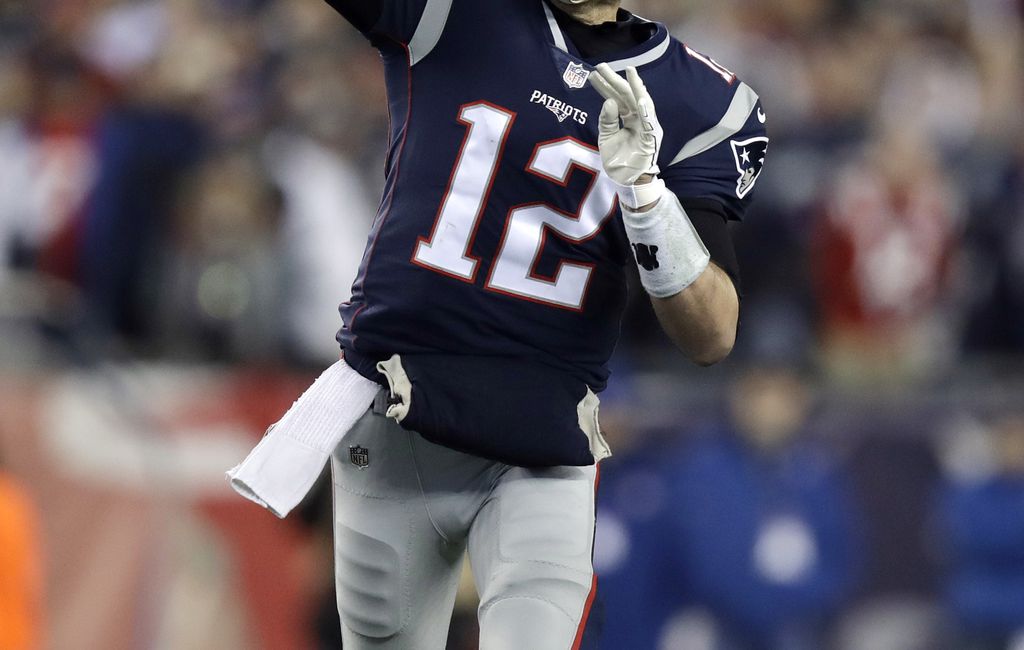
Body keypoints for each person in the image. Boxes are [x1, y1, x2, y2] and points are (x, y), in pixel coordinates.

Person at [315, 0, 768, 647]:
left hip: (541, 445)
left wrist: (646, 195)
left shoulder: (701, 101)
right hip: (397, 416)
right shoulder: (453, 13)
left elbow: (713, 334)